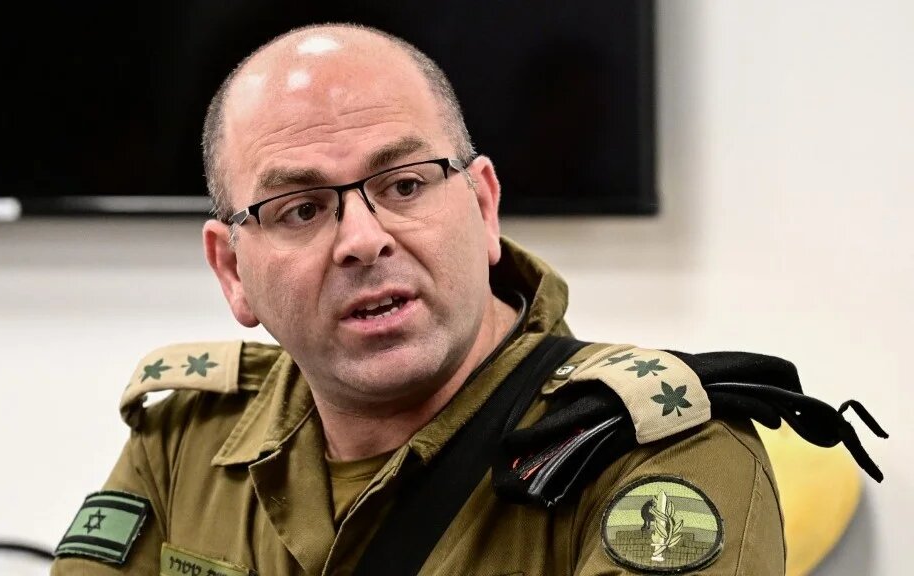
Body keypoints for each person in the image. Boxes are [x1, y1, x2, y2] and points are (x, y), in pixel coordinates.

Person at [51, 24, 785, 575]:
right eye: (302, 209)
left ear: (484, 207)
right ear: (231, 269)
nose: (362, 240)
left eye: (403, 185)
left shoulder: (657, 453)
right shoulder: (185, 436)